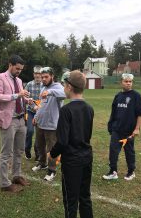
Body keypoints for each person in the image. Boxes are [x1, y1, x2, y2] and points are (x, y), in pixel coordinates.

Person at [49, 70, 94, 218]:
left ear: (69, 86)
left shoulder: (66, 110)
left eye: (64, 85)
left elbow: (62, 141)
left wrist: (52, 154)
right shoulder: (89, 108)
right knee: (85, 196)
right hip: (87, 157)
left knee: (70, 200)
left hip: (72, 162)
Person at [0, 54, 31, 192]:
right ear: (10, 65)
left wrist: (27, 100)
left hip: (21, 119)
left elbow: (19, 99)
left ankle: (16, 176)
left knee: (19, 150)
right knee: (6, 152)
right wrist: (17, 95)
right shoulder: (0, 77)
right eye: (17, 68)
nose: (19, 71)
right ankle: (4, 184)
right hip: (8, 120)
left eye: (21, 69)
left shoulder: (19, 81)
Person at [103, 73, 141, 181]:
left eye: (130, 81)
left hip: (129, 131)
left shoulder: (136, 96)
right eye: (126, 81)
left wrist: (137, 129)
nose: (128, 83)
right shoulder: (118, 96)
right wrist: (111, 125)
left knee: (129, 152)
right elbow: (114, 112)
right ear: (121, 82)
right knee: (113, 151)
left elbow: (140, 113)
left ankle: (131, 172)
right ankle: (113, 172)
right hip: (117, 129)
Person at [32, 67, 66, 181]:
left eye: (46, 77)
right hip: (40, 123)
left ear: (52, 76)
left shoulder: (58, 87)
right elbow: (41, 104)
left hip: (52, 125)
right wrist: (36, 117)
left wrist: (50, 92)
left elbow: (64, 94)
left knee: (51, 149)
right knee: (39, 145)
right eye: (42, 77)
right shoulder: (43, 88)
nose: (44, 79)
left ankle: (52, 170)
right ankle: (42, 163)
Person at [24, 65, 43, 160]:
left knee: (39, 134)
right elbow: (25, 97)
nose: (38, 75)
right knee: (30, 131)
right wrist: (33, 106)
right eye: (36, 73)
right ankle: (27, 149)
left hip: (41, 113)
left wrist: (40, 107)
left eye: (39, 73)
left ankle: (37, 153)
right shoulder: (29, 84)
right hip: (31, 112)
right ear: (33, 74)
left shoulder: (45, 85)